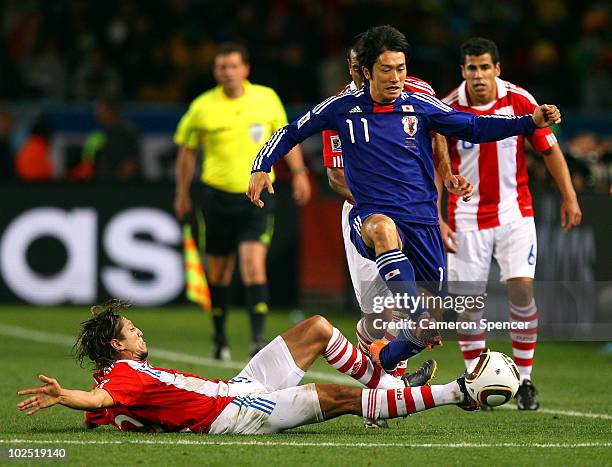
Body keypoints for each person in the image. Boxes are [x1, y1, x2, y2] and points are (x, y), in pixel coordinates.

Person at [247, 25, 561, 377]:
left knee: (432, 325)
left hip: (423, 222)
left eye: (401, 68)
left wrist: (528, 122)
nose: (396, 77)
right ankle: (412, 315)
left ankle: (384, 361)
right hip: (371, 214)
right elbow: (291, 131)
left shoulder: (420, 103)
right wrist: (262, 166)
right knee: (383, 232)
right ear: (367, 73)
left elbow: (473, 127)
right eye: (387, 69)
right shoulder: (341, 108)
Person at [17, 300, 478, 434]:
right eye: (132, 330)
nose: (140, 333)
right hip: (235, 413)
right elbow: (97, 401)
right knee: (336, 397)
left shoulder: (117, 380)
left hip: (236, 387)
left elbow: (99, 410)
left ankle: (388, 382)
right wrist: (65, 396)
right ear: (118, 345)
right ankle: (460, 392)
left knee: (316, 327)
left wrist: (81, 410)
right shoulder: (120, 377)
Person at [440, 38, 582, 410]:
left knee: (521, 290)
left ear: (497, 69)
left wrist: (569, 196)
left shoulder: (520, 101)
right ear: (463, 72)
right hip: (466, 216)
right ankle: (476, 382)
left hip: (514, 212)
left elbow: (549, 150)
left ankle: (525, 380)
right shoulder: (448, 108)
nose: (479, 75)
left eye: (485, 67)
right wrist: (437, 217)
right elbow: (436, 166)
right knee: (469, 302)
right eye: (472, 68)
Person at [321, 34, 472, 385]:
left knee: (429, 310)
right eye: (358, 70)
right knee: (378, 314)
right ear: (354, 68)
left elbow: (437, 135)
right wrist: (380, 199)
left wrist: (447, 176)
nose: (365, 76)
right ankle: (389, 382)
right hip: (368, 215)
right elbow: (335, 177)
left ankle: (389, 373)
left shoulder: (416, 91)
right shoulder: (340, 108)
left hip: (414, 212)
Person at [173, 43, 312, 360]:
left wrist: (300, 172)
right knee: (220, 272)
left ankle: (257, 341)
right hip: (216, 197)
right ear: (215, 72)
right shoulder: (202, 106)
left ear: (245, 69)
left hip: (257, 197)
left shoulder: (266, 98)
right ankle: (220, 339)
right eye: (222, 67)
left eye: (234, 66)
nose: (228, 72)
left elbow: (286, 137)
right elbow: (187, 150)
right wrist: (181, 192)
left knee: (252, 265)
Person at [68, 98, 140, 182]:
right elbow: (87, 163)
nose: (97, 114)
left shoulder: (127, 131)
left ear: (112, 111)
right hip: (99, 184)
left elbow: (132, 164)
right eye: (97, 110)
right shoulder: (96, 135)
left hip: (123, 186)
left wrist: (115, 179)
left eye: (101, 110)